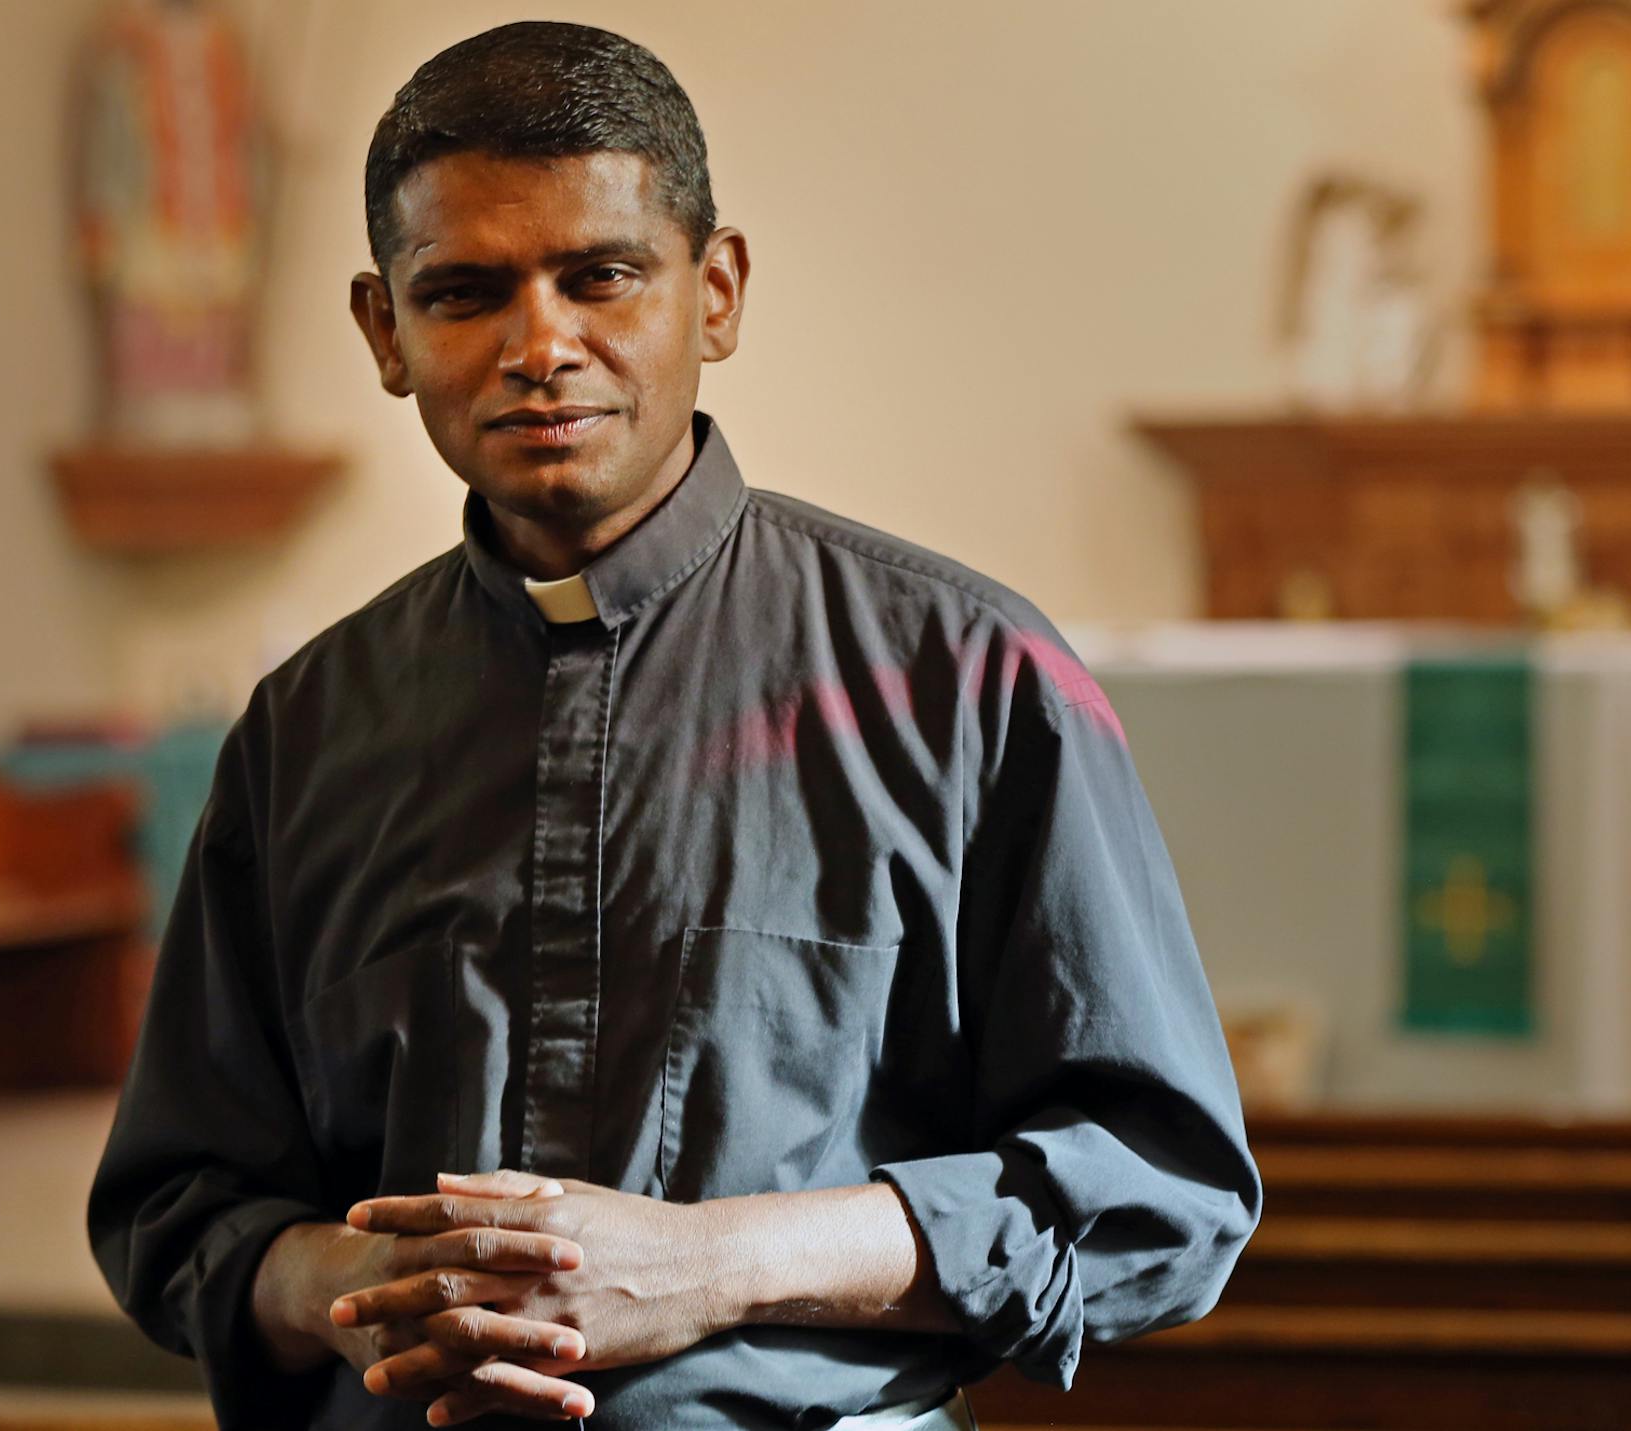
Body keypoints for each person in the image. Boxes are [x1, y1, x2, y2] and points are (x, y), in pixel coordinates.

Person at [87, 20, 1261, 1431]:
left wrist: (714, 1266)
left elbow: (1157, 1188)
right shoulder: (309, 727)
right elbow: (178, 1205)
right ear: (383, 332)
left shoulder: (959, 676)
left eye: (599, 277)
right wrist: (349, 1273)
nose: (539, 346)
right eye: (463, 293)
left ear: (715, 293)